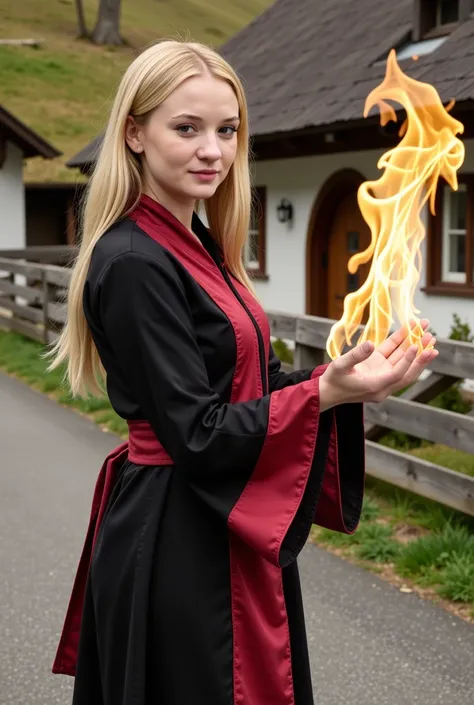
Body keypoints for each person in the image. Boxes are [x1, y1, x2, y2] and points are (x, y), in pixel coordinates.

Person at [49, 39, 438, 705]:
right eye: (187, 128)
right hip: (178, 534)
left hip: (214, 516)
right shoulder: (138, 260)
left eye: (227, 130)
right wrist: (323, 393)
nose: (213, 151)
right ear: (135, 134)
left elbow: (243, 383)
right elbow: (195, 431)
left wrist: (339, 380)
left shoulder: (197, 240)